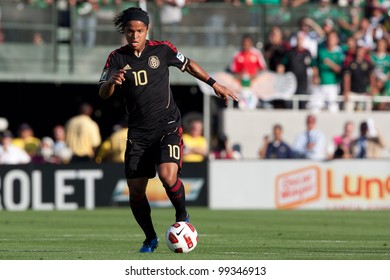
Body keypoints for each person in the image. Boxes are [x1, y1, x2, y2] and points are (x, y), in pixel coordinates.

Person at [97, 7, 238, 253]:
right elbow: (102, 93)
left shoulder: (162, 50)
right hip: (138, 134)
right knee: (136, 192)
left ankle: (182, 217)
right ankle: (150, 237)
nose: (135, 36)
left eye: (139, 31)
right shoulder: (116, 58)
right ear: (125, 32)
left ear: (147, 30)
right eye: (130, 31)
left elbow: (189, 64)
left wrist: (214, 84)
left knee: (167, 175)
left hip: (167, 126)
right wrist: (111, 82)